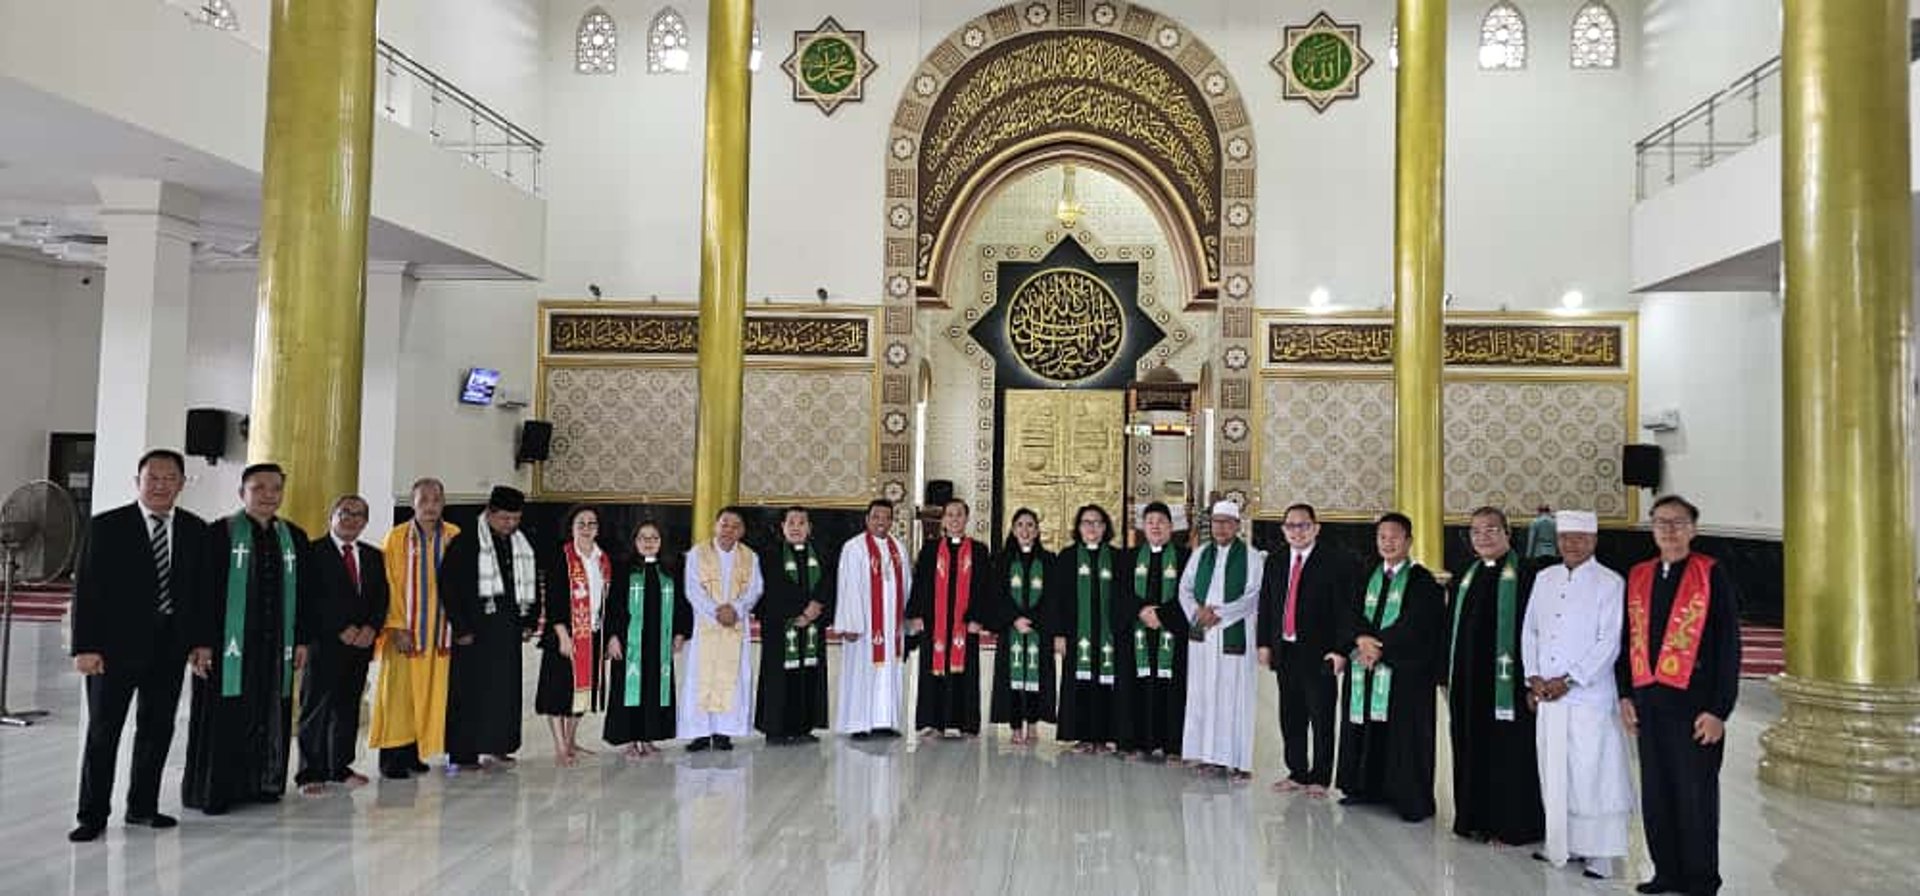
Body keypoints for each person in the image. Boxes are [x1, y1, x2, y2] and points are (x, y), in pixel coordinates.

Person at [70, 449, 207, 841]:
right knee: (104, 732)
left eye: (170, 478)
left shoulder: (195, 529)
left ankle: (142, 807)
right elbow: (87, 590)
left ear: (181, 484)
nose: (161, 485)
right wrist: (85, 647)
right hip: (112, 651)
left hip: (170, 648)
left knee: (157, 728)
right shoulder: (107, 526)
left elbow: (202, 593)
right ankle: (92, 815)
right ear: (138, 482)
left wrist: (201, 643)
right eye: (153, 478)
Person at [1616, 495, 1741, 896]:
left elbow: (1728, 646)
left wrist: (1719, 710)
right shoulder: (1639, 575)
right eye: (1661, 522)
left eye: (1678, 522)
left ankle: (1701, 880)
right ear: (1651, 528)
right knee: (1657, 794)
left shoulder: (1710, 573)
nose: (1669, 530)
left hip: (1695, 709)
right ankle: (1666, 872)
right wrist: (1625, 695)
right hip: (1649, 706)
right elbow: (1626, 640)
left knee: (1695, 796)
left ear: (1693, 529)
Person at [182, 463, 319, 815]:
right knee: (225, 715)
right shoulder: (219, 533)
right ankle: (217, 790)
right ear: (241, 493)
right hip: (227, 646)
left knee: (269, 711)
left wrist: (302, 640)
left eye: (276, 489)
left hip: (275, 646)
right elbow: (200, 592)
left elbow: (307, 595)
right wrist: (200, 642)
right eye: (259, 488)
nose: (268, 495)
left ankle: (263, 783)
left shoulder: (294, 537)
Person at [1523, 510, 1634, 881]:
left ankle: (1600, 853)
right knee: (1554, 769)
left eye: (1580, 538)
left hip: (1589, 697)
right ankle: (1561, 842)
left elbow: (1609, 642)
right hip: (1547, 696)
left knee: (1593, 773)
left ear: (1594, 541)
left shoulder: (1610, 582)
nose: (1571, 544)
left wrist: (1570, 680)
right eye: (1565, 537)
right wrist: (1532, 677)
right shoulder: (1545, 578)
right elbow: (1530, 631)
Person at [1335, 511, 1445, 822]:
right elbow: (1348, 612)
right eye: (1382, 537)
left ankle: (1408, 797)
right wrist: (1360, 639)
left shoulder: (1423, 581)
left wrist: (1379, 646)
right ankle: (1363, 787)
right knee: (1363, 727)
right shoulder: (1364, 577)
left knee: (1404, 737)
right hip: (1365, 668)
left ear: (1409, 541)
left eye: (1395, 537)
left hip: (1404, 674)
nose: (1388, 543)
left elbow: (1418, 624)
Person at [1445, 506, 1544, 844]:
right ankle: (1473, 819)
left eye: (1491, 530)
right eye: (1476, 531)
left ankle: (1511, 825)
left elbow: (1539, 630)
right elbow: (1451, 628)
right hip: (1469, 684)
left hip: (1510, 684)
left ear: (1507, 533)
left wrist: (1533, 680)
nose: (1483, 537)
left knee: (1509, 753)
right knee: (1470, 747)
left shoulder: (1528, 574)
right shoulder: (1465, 575)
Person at [1257, 503, 1354, 797]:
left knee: (1321, 717)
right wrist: (1264, 643)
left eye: (1303, 525)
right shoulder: (1275, 561)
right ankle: (1297, 772)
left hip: (1320, 653)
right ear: (1283, 529)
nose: (1296, 531)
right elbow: (1266, 605)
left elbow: (1345, 610)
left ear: (1316, 528)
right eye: (1291, 526)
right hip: (1286, 650)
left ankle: (1320, 778)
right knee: (1291, 716)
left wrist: (1341, 650)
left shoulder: (1335, 562)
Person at [296, 495, 389, 794]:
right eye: (344, 512)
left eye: (358, 515)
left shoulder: (373, 556)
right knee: (316, 708)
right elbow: (309, 598)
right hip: (325, 644)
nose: (350, 519)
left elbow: (381, 598)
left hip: (360, 645)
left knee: (347, 708)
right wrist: (339, 628)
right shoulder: (313, 552)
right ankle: (310, 772)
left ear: (365, 522)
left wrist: (372, 628)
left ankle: (339, 767)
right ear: (332, 516)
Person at [441, 486, 537, 771]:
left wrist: (528, 621)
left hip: (506, 632)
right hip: (474, 633)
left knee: (503, 692)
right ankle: (463, 753)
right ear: (489, 512)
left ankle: (498, 745)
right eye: (505, 518)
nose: (511, 524)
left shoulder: (519, 543)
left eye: (516, 519)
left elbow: (529, 582)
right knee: (470, 692)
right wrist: (461, 628)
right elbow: (448, 587)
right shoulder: (466, 542)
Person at [370, 478, 461, 779]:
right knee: (399, 697)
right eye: (424, 500)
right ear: (413, 503)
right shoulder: (397, 538)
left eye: (436, 500)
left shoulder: (454, 536)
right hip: (406, 632)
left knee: (429, 695)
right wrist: (396, 627)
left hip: (440, 633)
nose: (430, 506)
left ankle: (414, 752)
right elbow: (388, 586)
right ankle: (392, 757)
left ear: (444, 503)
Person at [1177, 499, 1264, 780]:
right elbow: (1184, 588)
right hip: (1203, 635)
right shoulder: (1200, 553)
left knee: (1234, 697)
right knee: (1203, 695)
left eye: (1227, 522)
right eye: (1216, 522)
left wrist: (1220, 614)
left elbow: (1253, 595)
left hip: (1233, 634)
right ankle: (1208, 757)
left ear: (1237, 526)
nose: (1221, 527)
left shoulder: (1251, 557)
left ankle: (1238, 761)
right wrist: (1197, 612)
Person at [605, 519, 691, 757]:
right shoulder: (623, 568)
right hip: (629, 643)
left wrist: (680, 632)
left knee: (655, 689)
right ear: (635, 541)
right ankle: (630, 740)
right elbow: (612, 605)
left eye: (654, 538)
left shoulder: (671, 570)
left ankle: (648, 736)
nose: (649, 542)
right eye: (643, 538)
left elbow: (682, 603)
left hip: (658, 642)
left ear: (662, 542)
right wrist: (612, 636)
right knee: (628, 691)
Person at [680, 506, 764, 751]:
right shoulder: (697, 553)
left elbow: (755, 589)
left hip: (735, 625)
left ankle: (725, 731)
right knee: (700, 678)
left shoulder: (750, 557)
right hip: (705, 625)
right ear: (715, 526)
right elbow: (692, 589)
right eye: (724, 524)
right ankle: (699, 732)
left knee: (732, 677)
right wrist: (716, 611)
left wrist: (736, 609)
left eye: (735, 526)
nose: (729, 530)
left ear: (742, 531)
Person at [907, 499, 991, 739]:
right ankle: (931, 722)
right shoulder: (930, 549)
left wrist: (978, 617)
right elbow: (920, 583)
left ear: (967, 519)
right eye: (950, 515)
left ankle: (965, 723)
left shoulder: (979, 550)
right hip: (934, 623)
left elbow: (984, 587)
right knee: (932, 672)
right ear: (943, 519)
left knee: (966, 673)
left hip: (965, 624)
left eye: (959, 514)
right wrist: (916, 614)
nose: (954, 519)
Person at [1049, 504, 1127, 753]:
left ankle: (1105, 737)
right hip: (1076, 634)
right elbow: (1056, 598)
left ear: (1105, 528)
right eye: (1086, 522)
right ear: (1079, 527)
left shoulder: (1117, 558)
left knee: (1107, 684)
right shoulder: (1067, 557)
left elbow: (1124, 598)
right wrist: (1058, 633)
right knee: (1079, 685)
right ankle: (1082, 736)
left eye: (1097, 522)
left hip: (1109, 635)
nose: (1092, 527)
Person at [754, 507, 835, 745]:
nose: (796, 527)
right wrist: (803, 608)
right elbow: (775, 586)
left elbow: (828, 583)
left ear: (809, 527)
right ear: (782, 527)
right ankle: (775, 729)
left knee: (807, 675)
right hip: (780, 626)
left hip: (812, 627)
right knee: (778, 679)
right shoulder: (770, 554)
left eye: (801, 523)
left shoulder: (821, 554)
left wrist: (816, 608)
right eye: (791, 522)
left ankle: (802, 727)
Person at [834, 499, 912, 740]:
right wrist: (850, 623)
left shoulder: (898, 548)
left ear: (892, 521)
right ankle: (858, 723)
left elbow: (907, 586)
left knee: (890, 670)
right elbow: (848, 587)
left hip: (892, 627)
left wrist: (907, 619)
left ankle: (884, 721)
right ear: (867, 519)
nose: (881, 522)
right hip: (864, 627)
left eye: (887, 517)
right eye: (876, 517)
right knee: (861, 672)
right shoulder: (854, 547)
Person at [537, 504, 609, 764]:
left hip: (592, 634)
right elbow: (554, 599)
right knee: (557, 693)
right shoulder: (562, 557)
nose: (587, 528)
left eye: (592, 524)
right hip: (565, 635)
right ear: (572, 527)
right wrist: (563, 635)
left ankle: (571, 741)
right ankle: (560, 747)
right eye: (581, 523)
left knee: (582, 692)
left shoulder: (603, 559)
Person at [1118, 501, 1190, 760]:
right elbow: (1120, 592)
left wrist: (1162, 615)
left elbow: (1189, 594)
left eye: (1161, 521)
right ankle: (1137, 743)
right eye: (1150, 522)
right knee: (1136, 687)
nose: (1155, 526)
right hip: (1137, 633)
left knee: (1172, 689)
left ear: (1171, 526)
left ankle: (1173, 746)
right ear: (1143, 527)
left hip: (1172, 632)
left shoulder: (1185, 557)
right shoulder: (1128, 558)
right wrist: (1141, 611)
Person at [988, 507, 1054, 745]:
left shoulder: (1048, 560)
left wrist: (1033, 620)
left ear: (1037, 531)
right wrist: (1014, 618)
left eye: (1030, 525)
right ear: (1013, 530)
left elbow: (1052, 596)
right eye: (1020, 525)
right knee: (1012, 679)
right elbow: (997, 595)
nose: (1025, 530)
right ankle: (1015, 727)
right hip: (1011, 629)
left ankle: (1033, 725)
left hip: (1039, 629)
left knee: (1037, 677)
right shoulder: (1002, 560)